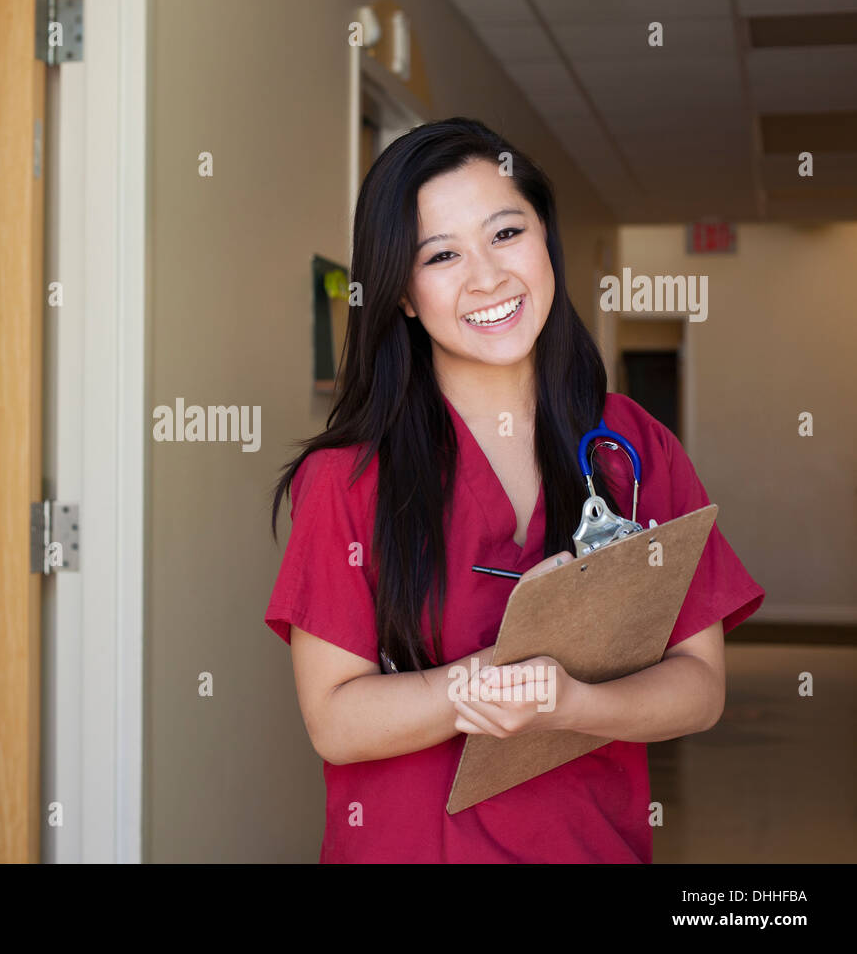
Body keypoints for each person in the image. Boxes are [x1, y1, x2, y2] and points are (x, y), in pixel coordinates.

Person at [264, 117, 764, 863]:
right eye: (440, 255)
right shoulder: (349, 478)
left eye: (505, 234)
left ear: (545, 240)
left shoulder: (636, 451)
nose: (487, 278)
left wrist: (577, 704)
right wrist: (496, 678)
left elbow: (699, 686)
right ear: (401, 293)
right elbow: (336, 720)